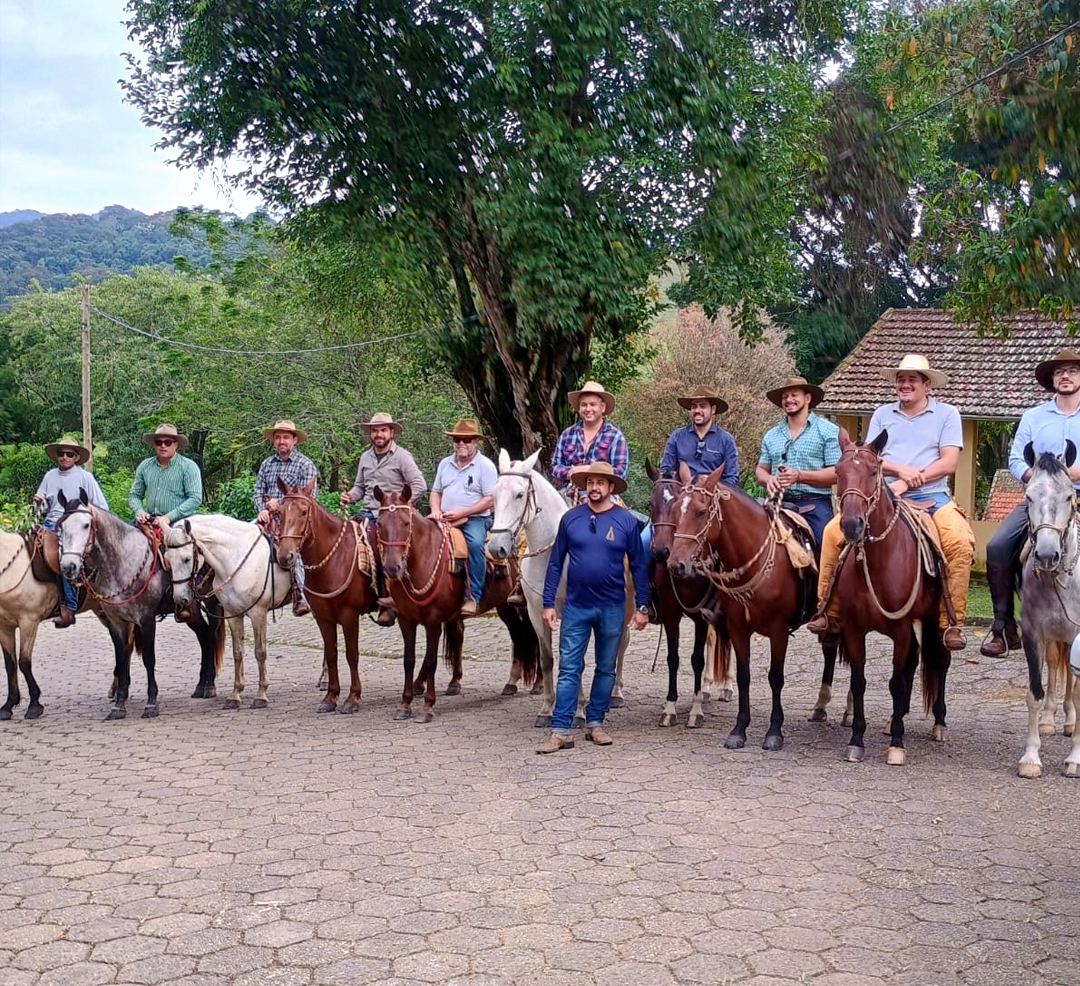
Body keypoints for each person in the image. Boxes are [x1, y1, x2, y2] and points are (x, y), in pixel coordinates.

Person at [807, 355, 974, 651]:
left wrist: (911, 479)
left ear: (927, 384)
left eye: (912, 379)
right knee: (833, 533)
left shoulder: (947, 414)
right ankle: (828, 612)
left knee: (960, 541)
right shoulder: (883, 414)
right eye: (901, 379)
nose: (905, 384)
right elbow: (871, 456)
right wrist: (898, 473)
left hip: (932, 497)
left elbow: (948, 463)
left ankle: (951, 622)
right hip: (884, 494)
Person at [537, 462, 650, 753]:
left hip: (612, 607)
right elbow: (555, 563)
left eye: (601, 483)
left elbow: (638, 566)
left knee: (606, 669)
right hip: (575, 606)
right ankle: (560, 730)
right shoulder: (571, 519)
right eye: (590, 483)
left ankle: (596, 723)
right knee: (569, 668)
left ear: (611, 487)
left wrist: (642, 606)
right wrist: (549, 602)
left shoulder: (625, 521)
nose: (594, 488)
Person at [980, 347, 1080, 658]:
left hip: (1077, 493)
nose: (1066, 375)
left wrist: (1066, 477)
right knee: (997, 546)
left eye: (1073, 370)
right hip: (1039, 499)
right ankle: (1002, 627)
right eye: (1060, 371)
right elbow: (1014, 457)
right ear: (1052, 379)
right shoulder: (1033, 416)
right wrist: (1036, 481)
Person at [339, 412, 427, 625]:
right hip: (368, 511)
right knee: (345, 542)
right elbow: (361, 487)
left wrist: (401, 504)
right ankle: (351, 593)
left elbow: (419, 485)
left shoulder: (402, 457)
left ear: (391, 432)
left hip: (393, 516)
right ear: (371, 433)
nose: (379, 434)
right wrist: (350, 496)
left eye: (383, 430)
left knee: (381, 546)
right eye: (375, 430)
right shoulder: (365, 457)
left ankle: (389, 601)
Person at [755, 376, 840, 552]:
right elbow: (760, 470)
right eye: (785, 397)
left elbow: (837, 473)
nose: (788, 400)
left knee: (826, 545)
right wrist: (769, 479)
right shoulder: (772, 435)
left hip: (814, 504)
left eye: (794, 395)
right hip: (777, 503)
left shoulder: (828, 431)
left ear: (807, 399)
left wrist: (800, 476)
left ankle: (826, 580)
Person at [33, 436, 108, 627]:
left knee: (64, 556)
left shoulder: (85, 477)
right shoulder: (49, 476)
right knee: (28, 548)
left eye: (69, 454)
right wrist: (38, 502)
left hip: (75, 526)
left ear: (76, 458)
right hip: (51, 523)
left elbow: (101, 507)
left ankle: (69, 606)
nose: (64, 457)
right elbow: (41, 510)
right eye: (61, 453)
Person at [429, 418, 497, 617]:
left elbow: (490, 499)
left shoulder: (485, 466)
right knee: (419, 540)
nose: (461, 444)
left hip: (475, 519)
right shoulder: (445, 463)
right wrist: (435, 510)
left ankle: (473, 596)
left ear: (476, 442)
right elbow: (435, 492)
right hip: (443, 517)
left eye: (466, 440)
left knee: (475, 544)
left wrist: (463, 513)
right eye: (457, 439)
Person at [254, 419, 318, 617]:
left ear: (294, 440)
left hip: (295, 521)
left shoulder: (305, 465)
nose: (282, 441)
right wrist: (262, 510)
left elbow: (307, 500)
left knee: (293, 552)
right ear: (274, 441)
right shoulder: (266, 464)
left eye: (286, 437)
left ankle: (300, 595)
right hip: (267, 518)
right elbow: (257, 491)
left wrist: (279, 506)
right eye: (278, 437)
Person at [550, 380, 628, 505]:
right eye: (584, 405)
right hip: (569, 493)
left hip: (605, 496)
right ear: (579, 408)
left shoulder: (615, 436)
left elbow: (621, 471)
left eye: (593, 404)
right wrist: (571, 472)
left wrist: (590, 470)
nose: (588, 409)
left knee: (621, 521)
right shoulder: (567, 434)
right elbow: (555, 466)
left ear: (602, 407)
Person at [659, 384, 738, 485]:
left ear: (713, 409)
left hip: (711, 496)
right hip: (681, 494)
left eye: (703, 406)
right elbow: (666, 471)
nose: (697, 410)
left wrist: (709, 486)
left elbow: (731, 478)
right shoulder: (677, 437)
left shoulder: (726, 440)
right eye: (694, 406)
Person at [128, 423, 203, 524]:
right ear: (155, 445)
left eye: (168, 442)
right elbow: (135, 495)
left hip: (180, 520)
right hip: (150, 519)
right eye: (159, 442)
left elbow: (195, 498)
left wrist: (169, 517)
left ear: (176, 445)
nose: (163, 446)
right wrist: (139, 512)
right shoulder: (145, 466)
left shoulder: (188, 467)